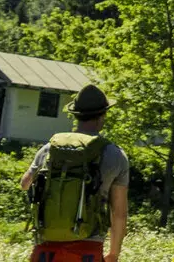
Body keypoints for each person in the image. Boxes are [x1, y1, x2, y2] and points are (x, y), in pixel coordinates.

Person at [19, 85, 130, 262]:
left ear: (75, 115)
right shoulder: (115, 154)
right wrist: (114, 254)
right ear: (103, 115)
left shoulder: (50, 148)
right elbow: (119, 213)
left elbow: (25, 184)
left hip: (46, 247)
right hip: (87, 248)